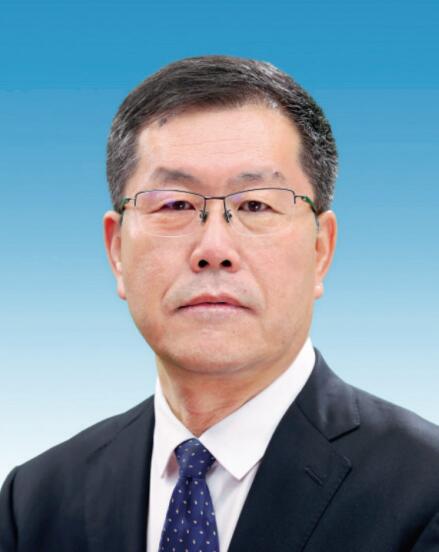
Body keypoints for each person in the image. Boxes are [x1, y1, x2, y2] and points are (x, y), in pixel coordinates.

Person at [1, 55, 439, 552]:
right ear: (117, 250)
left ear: (321, 250)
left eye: (255, 204)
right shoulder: (34, 502)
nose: (213, 249)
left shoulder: (424, 492)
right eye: (175, 204)